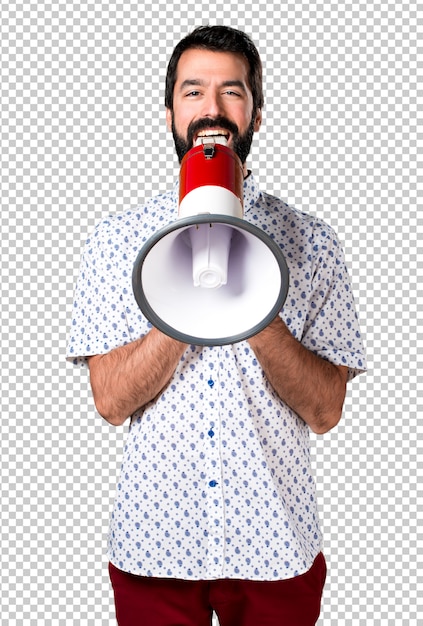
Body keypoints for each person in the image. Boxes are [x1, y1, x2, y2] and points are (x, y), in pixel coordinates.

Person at [67, 25, 366, 626]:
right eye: (192, 91)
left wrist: (254, 306)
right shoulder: (113, 241)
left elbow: (327, 410)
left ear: (257, 113)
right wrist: (184, 307)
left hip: (277, 546)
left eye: (232, 92)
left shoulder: (314, 242)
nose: (212, 109)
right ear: (170, 110)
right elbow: (110, 402)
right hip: (153, 548)